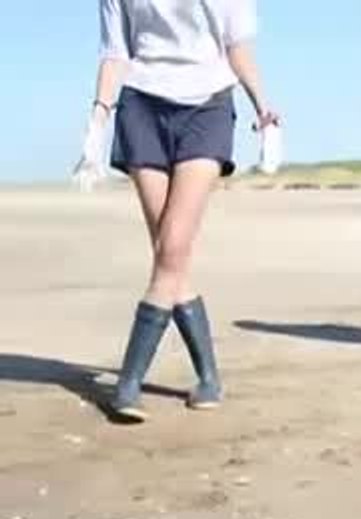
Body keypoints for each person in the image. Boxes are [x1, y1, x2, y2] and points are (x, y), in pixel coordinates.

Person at [73, 0, 279, 422]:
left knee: (172, 249)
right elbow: (116, 51)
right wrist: (97, 121)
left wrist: (263, 108)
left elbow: (236, 44)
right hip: (141, 108)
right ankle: (209, 377)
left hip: (208, 107)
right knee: (171, 256)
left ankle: (128, 381)